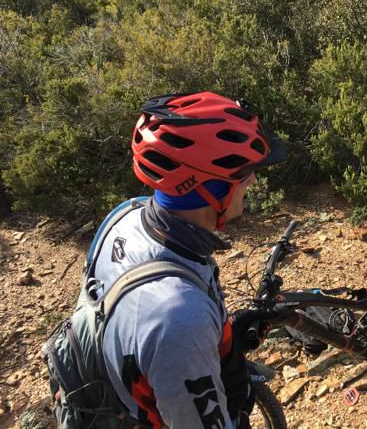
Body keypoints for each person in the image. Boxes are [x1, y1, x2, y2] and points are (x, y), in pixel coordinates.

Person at [90, 92, 285, 428]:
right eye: (245, 172)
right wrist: (193, 336)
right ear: (212, 190)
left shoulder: (126, 216)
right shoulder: (179, 317)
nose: (252, 179)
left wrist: (221, 342)